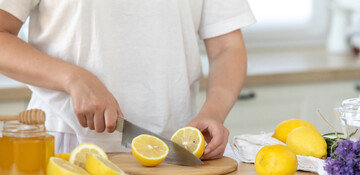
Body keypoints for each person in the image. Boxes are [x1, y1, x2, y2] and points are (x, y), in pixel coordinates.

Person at [0, 0, 255, 159]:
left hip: (175, 150)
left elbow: (227, 47)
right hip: (64, 144)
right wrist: (72, 77)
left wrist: (214, 112)